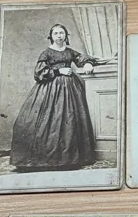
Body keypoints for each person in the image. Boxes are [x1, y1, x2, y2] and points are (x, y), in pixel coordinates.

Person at [9, 24, 99, 173]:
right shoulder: (46, 53)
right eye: (56, 33)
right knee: (47, 121)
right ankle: (44, 160)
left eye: (61, 33)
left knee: (70, 120)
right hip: (50, 89)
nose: (59, 36)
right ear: (51, 36)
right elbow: (39, 73)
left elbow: (81, 58)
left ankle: (69, 159)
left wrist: (88, 63)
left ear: (66, 36)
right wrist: (58, 71)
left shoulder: (69, 51)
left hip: (71, 89)